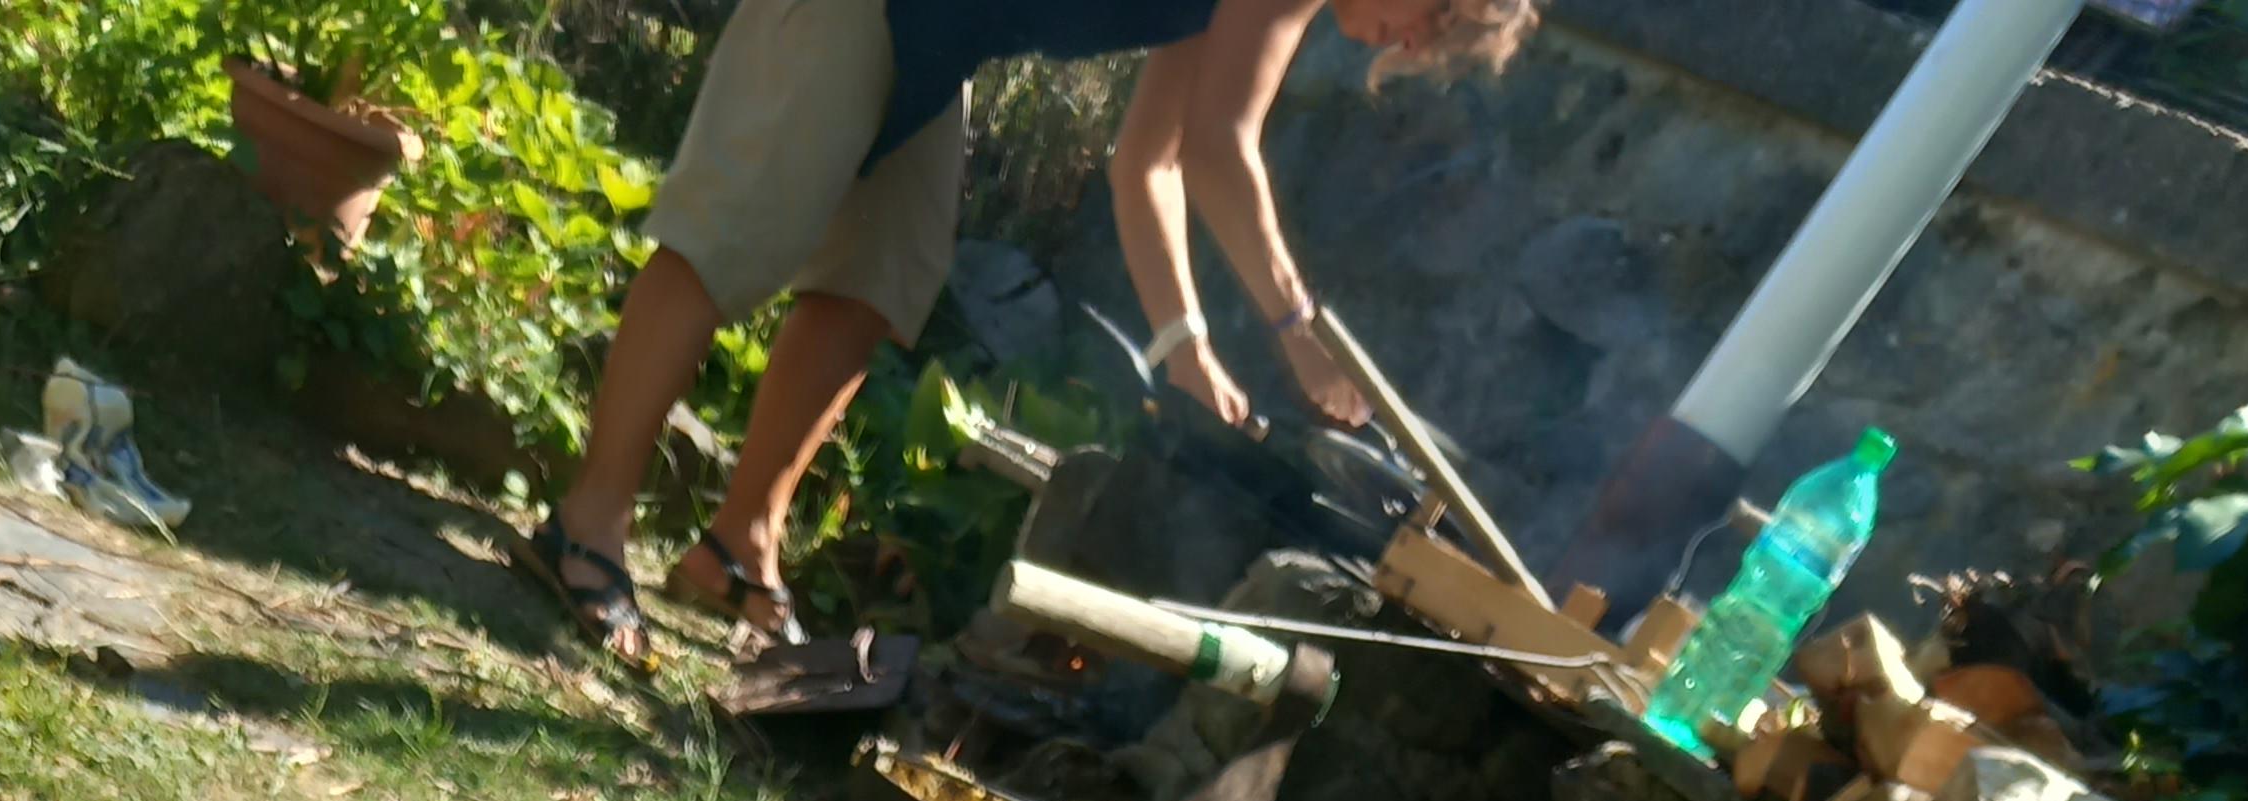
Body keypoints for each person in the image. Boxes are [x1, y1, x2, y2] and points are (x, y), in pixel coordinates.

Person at [525, 0, 1536, 669]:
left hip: (942, 30)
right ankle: (590, 521)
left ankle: (739, 549)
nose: (1409, 49)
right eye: (1432, 20)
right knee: (728, 238)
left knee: (876, 283)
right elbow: (1223, 151)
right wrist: (1297, 330)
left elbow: (1149, 162)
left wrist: (1184, 345)